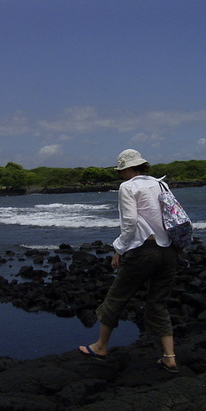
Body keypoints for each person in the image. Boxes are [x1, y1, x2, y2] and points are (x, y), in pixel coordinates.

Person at [79, 149, 179, 373]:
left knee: (116, 297)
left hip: (143, 250)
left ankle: (101, 346)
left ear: (125, 169)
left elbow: (130, 222)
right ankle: (170, 357)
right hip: (169, 250)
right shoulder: (160, 184)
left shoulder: (128, 186)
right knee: (158, 303)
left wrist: (119, 249)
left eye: (121, 170)